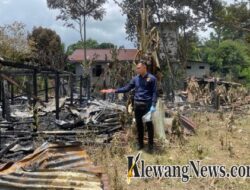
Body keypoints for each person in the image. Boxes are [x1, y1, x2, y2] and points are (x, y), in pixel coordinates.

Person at [101, 61, 157, 153]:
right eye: (137, 68)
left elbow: (154, 92)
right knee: (139, 125)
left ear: (144, 68)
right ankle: (140, 144)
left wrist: (153, 105)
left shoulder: (152, 78)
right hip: (138, 104)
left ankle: (151, 145)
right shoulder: (135, 79)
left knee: (149, 125)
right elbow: (127, 88)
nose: (137, 69)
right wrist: (114, 90)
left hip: (147, 105)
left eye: (138, 68)